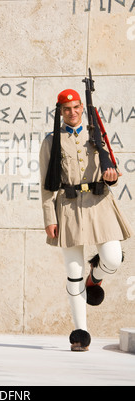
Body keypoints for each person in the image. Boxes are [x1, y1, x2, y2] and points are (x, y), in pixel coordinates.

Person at [39, 88, 133, 351]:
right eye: (66, 109)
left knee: (113, 257)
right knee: (73, 271)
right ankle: (81, 331)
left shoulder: (97, 134)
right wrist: (49, 217)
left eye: (76, 107)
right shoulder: (51, 141)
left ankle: (97, 274)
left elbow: (110, 167)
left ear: (82, 108)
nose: (72, 112)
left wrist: (111, 175)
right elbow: (46, 185)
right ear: (60, 112)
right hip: (67, 206)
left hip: (99, 203)